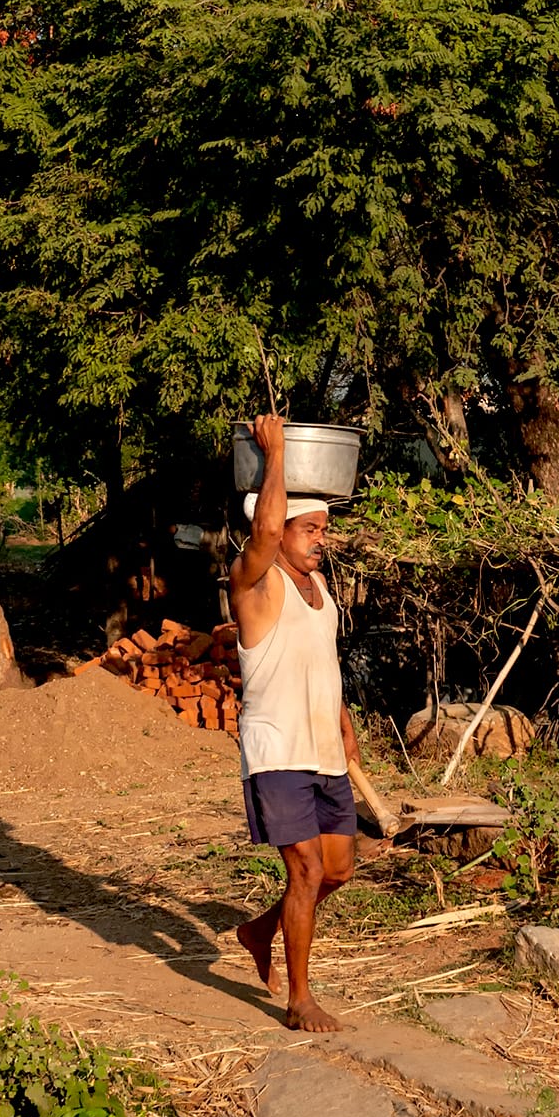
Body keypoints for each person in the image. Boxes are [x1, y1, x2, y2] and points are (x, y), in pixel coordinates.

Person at [231, 414, 360, 1032]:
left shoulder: (319, 589)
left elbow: (322, 657)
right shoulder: (254, 585)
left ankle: (259, 930)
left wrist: (343, 718)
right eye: (309, 529)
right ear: (278, 529)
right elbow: (261, 528)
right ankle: (299, 997)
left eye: (323, 531)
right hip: (277, 749)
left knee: (336, 870)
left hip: (323, 748)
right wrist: (276, 453)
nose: (319, 540)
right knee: (305, 870)